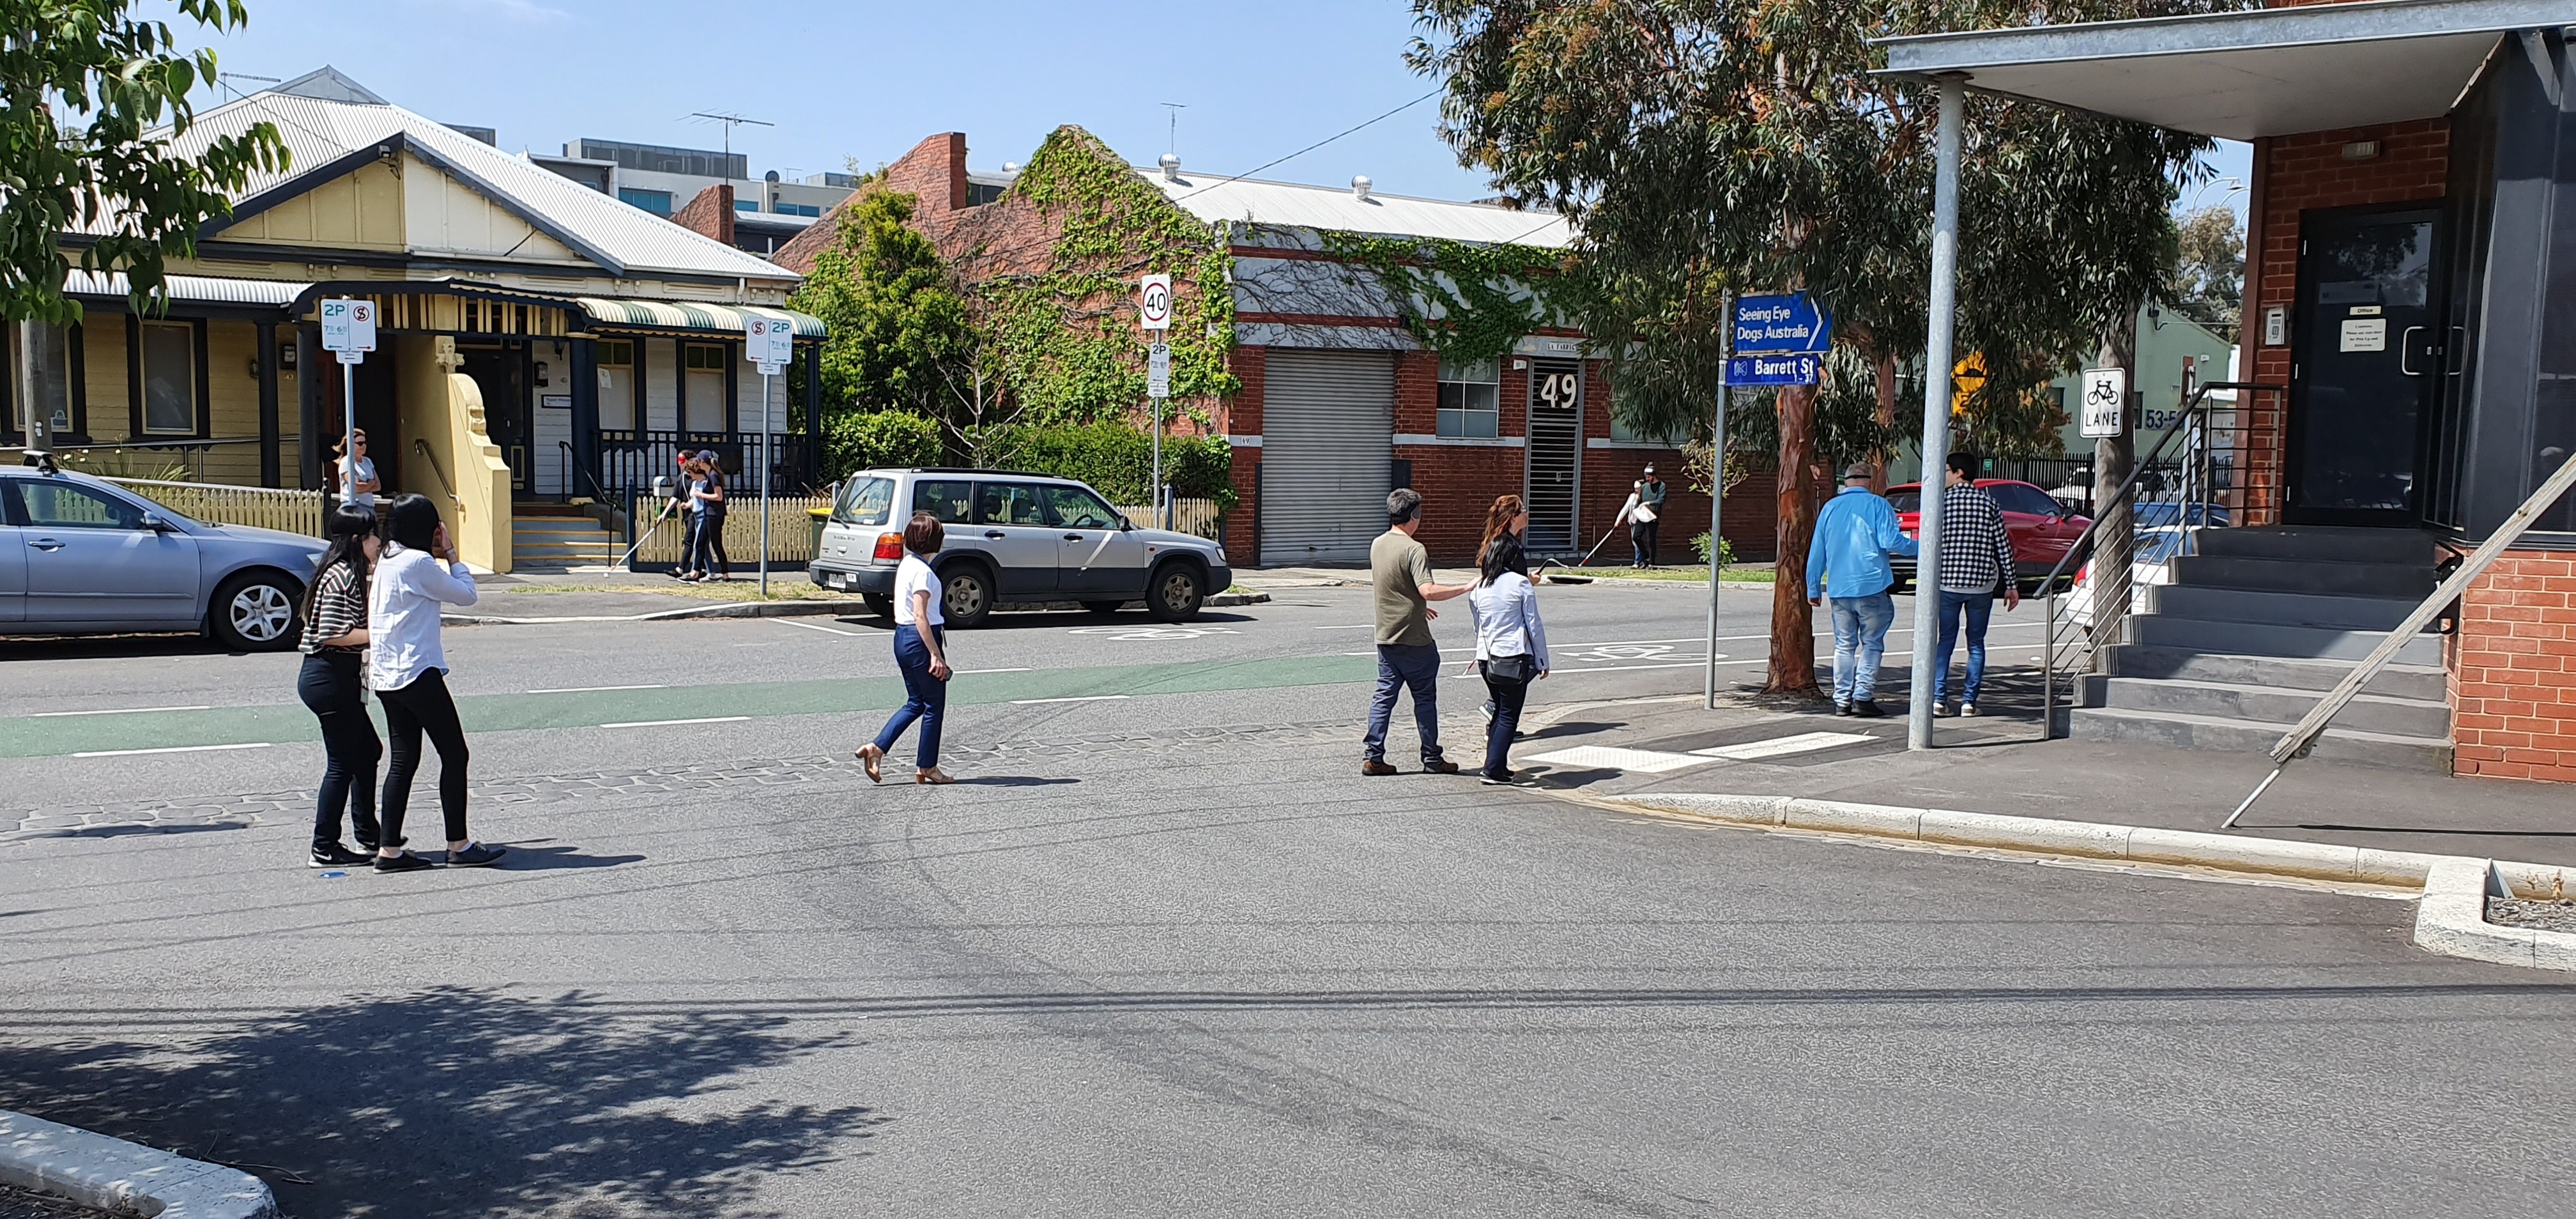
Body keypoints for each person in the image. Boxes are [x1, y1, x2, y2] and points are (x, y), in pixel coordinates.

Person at [368, 494, 506, 872]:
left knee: (403, 760)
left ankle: (390, 850)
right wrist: (452, 554)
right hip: (416, 672)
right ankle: (458, 844)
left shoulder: (388, 558)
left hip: (386, 674)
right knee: (455, 753)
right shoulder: (418, 562)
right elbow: (467, 596)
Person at [296, 503, 383, 868]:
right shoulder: (340, 575)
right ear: (355, 540)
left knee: (368, 751)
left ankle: (367, 836)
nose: (378, 542)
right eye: (373, 536)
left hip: (337, 676)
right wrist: (383, 635)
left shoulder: (345, 570)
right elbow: (334, 634)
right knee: (343, 762)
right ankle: (324, 845)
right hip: (327, 676)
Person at [1363, 488, 1472, 776]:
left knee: (1384, 696)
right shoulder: (1414, 549)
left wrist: (1417, 606)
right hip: (1415, 640)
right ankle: (1432, 758)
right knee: (1424, 698)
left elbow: (1392, 586)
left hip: (1386, 636)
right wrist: (1466, 587)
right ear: (1414, 515)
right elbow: (1428, 590)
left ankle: (1374, 755)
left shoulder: (1377, 544)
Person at [1806, 462, 1919, 717]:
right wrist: (1923, 548)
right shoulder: (1879, 505)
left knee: (1844, 645)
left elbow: (1817, 551)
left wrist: (1813, 586)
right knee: (1872, 643)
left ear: (1846, 481)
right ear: (1870, 479)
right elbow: (1891, 542)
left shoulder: (1830, 508)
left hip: (1839, 588)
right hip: (1871, 585)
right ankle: (1863, 696)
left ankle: (1842, 700)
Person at [857, 511, 956, 785]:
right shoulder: (924, 573)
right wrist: (935, 654)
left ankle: (876, 749)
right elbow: (921, 616)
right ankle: (927, 766)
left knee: (916, 702)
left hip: (902, 636)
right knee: (934, 704)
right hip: (920, 638)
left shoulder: (907, 565)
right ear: (933, 541)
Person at [1932, 453, 2020, 717]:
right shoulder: (1989, 503)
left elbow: (1931, 544)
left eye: (1946, 470)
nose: (1944, 475)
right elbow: (2002, 546)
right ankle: (1969, 701)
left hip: (1948, 583)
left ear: (1959, 472)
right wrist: (2011, 584)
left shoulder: (1942, 503)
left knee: (1945, 641)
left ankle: (1938, 698)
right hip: (1981, 584)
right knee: (1976, 644)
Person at [1468, 534, 1549, 785]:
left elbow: (1477, 625)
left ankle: (1497, 767)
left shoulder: (1480, 587)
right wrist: (1543, 660)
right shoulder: (1520, 583)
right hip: (1513, 657)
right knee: (1508, 715)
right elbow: (1533, 624)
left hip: (1486, 658)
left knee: (1500, 712)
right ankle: (1492, 770)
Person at [686, 449, 730, 582]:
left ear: (701, 462)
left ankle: (725, 574)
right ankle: (695, 573)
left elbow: (719, 496)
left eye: (698, 461)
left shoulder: (713, 475)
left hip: (714, 515)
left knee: (716, 544)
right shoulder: (710, 474)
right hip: (709, 513)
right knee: (700, 543)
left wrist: (701, 495)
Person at [330, 429, 380, 514]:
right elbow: (355, 487)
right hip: (352, 508)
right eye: (360, 443)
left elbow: (378, 486)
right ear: (351, 444)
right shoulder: (346, 462)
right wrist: (371, 484)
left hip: (369, 506)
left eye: (365, 443)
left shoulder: (368, 461)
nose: (364, 446)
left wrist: (364, 486)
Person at [1630, 464, 1667, 567]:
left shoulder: (1662, 486)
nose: (1647, 479)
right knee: (1636, 537)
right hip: (1642, 515)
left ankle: (1651, 562)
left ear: (1654, 476)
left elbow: (1661, 500)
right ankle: (1646, 555)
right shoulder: (1645, 486)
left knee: (1651, 539)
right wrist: (1635, 513)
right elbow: (1639, 500)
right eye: (1646, 477)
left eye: (1649, 477)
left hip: (1653, 516)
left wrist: (1648, 503)